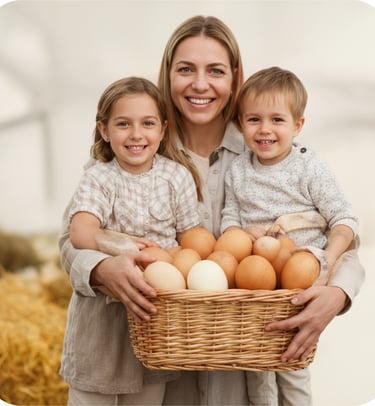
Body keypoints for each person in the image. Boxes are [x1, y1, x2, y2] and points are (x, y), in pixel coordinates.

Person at [59, 15, 365, 406]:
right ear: (168, 74)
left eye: (215, 71)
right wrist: (101, 268)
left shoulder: (267, 151)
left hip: (236, 372)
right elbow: (73, 238)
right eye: (186, 69)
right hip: (149, 358)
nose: (200, 84)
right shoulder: (138, 144)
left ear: (235, 79)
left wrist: (337, 293)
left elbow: (334, 232)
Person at [221, 66, 359, 405]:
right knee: (256, 372)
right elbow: (229, 222)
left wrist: (328, 258)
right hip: (255, 287)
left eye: (277, 120)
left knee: (292, 367)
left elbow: (344, 218)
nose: (265, 129)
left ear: (297, 125)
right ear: (240, 123)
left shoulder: (308, 166)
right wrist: (238, 234)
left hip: (301, 276)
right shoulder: (238, 170)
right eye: (253, 119)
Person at [59, 76, 201, 405]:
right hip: (101, 329)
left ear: (163, 129)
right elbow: (80, 231)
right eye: (123, 124)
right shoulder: (100, 176)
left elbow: (190, 241)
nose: (136, 134)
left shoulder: (174, 176)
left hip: (153, 327)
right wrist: (119, 244)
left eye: (147, 123)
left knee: (148, 395)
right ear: (104, 130)